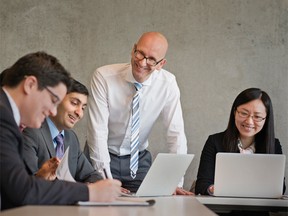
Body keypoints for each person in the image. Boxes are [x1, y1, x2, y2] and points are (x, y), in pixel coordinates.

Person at [0, 51, 121, 211]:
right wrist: (89, 192)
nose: (52, 111)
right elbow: (21, 190)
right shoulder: (3, 119)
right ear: (30, 85)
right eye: (53, 100)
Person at [86, 32, 191, 195]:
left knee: (147, 207)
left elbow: (175, 134)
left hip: (138, 160)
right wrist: (103, 178)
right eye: (140, 53)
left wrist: (175, 182)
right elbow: (97, 132)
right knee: (101, 206)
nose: (142, 62)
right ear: (133, 49)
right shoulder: (103, 77)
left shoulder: (168, 83)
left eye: (151, 59)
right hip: (101, 154)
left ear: (161, 64)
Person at [195, 88, 286, 215]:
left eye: (257, 117)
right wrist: (214, 189)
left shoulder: (274, 145)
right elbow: (202, 184)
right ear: (234, 112)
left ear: (266, 119)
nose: (249, 121)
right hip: (221, 212)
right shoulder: (214, 141)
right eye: (244, 113)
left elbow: (279, 187)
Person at [22, 79, 103, 182]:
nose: (79, 113)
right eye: (74, 103)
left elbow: (91, 175)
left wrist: (104, 184)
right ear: (55, 100)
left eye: (83, 108)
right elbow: (27, 184)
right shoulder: (31, 131)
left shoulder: (71, 137)